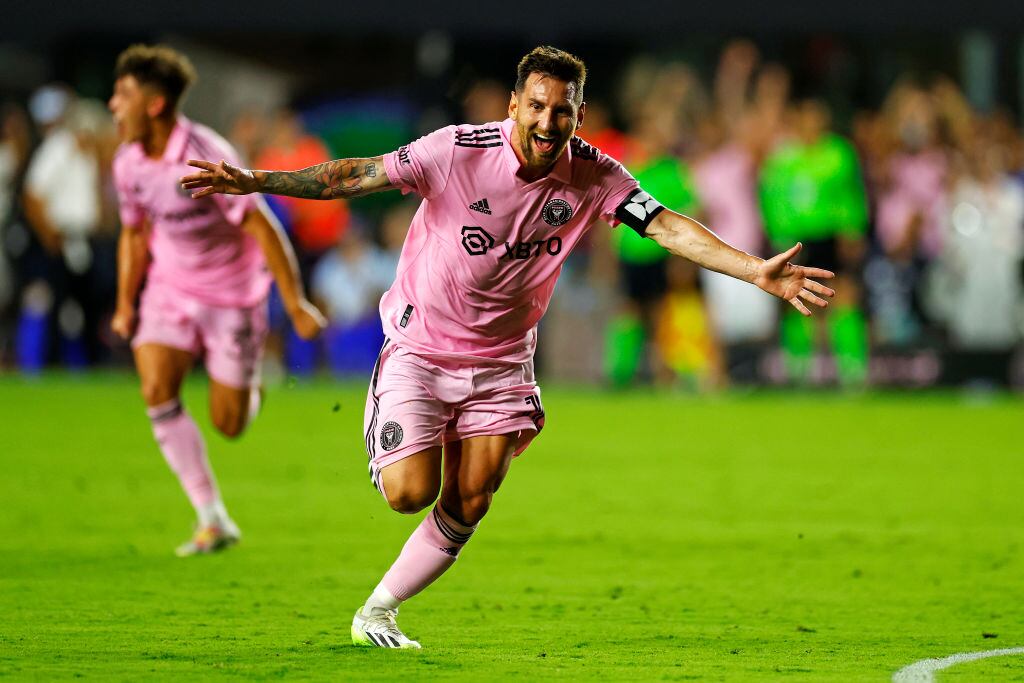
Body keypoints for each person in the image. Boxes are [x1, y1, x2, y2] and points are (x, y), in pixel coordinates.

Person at [182, 46, 834, 648]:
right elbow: (356, 176)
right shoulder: (457, 151)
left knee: (472, 498)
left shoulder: (594, 174)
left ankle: (377, 610)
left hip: (501, 361)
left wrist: (755, 270)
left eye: (565, 111)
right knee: (411, 491)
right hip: (421, 345)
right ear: (515, 106)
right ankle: (395, 422)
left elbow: (662, 224)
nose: (550, 122)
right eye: (540, 106)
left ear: (580, 116)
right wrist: (254, 179)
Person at [108, 45, 325, 556]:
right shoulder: (128, 163)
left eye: (123, 95)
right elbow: (134, 234)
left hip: (232, 297)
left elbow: (262, 225)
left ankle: (250, 391)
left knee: (229, 424)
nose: (114, 106)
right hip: (170, 290)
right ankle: (212, 517)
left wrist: (294, 304)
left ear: (155, 104)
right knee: (157, 388)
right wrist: (125, 303)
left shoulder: (206, 154)